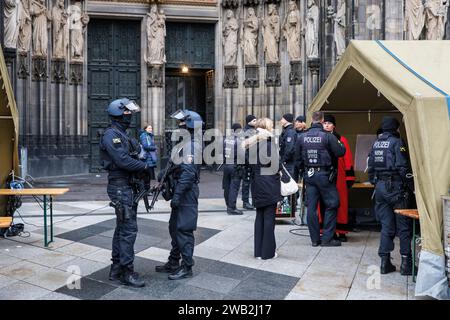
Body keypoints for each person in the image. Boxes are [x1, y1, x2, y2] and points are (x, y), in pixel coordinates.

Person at [100, 98, 151, 288]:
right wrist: (144, 165)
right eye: (128, 113)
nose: (130, 116)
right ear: (120, 114)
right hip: (120, 186)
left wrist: (140, 160)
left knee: (122, 228)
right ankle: (127, 272)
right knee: (128, 230)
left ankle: (116, 269)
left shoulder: (123, 134)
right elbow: (122, 161)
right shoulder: (111, 135)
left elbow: (139, 151)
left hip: (127, 185)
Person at [155, 109, 202, 280]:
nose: (179, 126)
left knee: (184, 229)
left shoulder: (192, 145)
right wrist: (162, 178)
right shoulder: (185, 143)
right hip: (180, 192)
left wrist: (177, 196)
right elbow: (174, 166)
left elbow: (188, 174)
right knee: (174, 227)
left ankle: (187, 266)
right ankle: (174, 261)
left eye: (182, 123)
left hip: (186, 194)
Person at [368, 116, 414, 275]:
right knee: (403, 226)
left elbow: (371, 167)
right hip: (396, 188)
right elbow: (403, 167)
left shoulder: (376, 143)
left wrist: (376, 184)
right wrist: (411, 187)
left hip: (380, 188)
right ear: (396, 129)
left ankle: (384, 263)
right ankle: (406, 264)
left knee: (386, 226)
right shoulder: (397, 142)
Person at [295, 111, 346, 247]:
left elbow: (297, 158)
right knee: (333, 203)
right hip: (324, 175)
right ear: (322, 121)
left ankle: (314, 239)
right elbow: (341, 152)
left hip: (309, 175)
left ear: (311, 119)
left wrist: (304, 171)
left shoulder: (302, 136)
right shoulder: (327, 136)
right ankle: (327, 239)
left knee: (311, 207)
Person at [242, 118, 282, 260]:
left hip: (257, 182)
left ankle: (258, 252)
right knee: (269, 218)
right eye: (271, 125)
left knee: (260, 216)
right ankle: (268, 253)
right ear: (267, 127)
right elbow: (276, 165)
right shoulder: (269, 143)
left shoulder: (251, 145)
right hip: (269, 182)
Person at [320, 115, 355, 242]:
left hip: (339, 176)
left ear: (334, 125)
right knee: (324, 203)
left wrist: (349, 176)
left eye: (329, 123)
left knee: (340, 203)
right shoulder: (320, 138)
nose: (327, 125)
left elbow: (347, 158)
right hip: (323, 176)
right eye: (325, 123)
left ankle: (340, 231)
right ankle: (328, 230)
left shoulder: (341, 139)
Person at [222, 123, 244, 215]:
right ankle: (232, 208)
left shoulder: (225, 139)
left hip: (226, 165)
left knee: (227, 187)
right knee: (234, 188)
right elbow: (242, 155)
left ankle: (228, 205)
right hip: (235, 166)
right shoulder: (238, 140)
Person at [241, 115, 258, 210]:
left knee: (253, 181)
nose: (256, 121)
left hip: (253, 159)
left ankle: (253, 200)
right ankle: (246, 201)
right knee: (246, 181)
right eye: (254, 120)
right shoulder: (246, 132)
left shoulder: (254, 131)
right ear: (249, 122)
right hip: (248, 161)